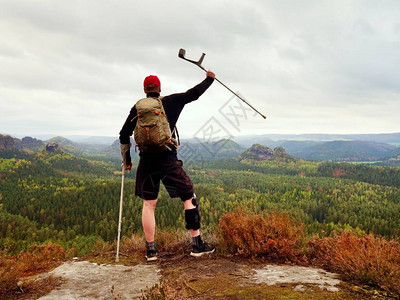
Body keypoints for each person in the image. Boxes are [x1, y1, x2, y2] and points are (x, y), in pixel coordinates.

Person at [119, 71, 216, 261]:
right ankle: (197, 245)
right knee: (189, 197)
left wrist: (127, 160)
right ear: (159, 88)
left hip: (146, 160)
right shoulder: (170, 102)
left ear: (145, 90)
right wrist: (209, 79)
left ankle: (151, 251)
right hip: (167, 159)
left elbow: (123, 134)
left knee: (149, 204)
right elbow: (193, 94)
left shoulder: (138, 108)